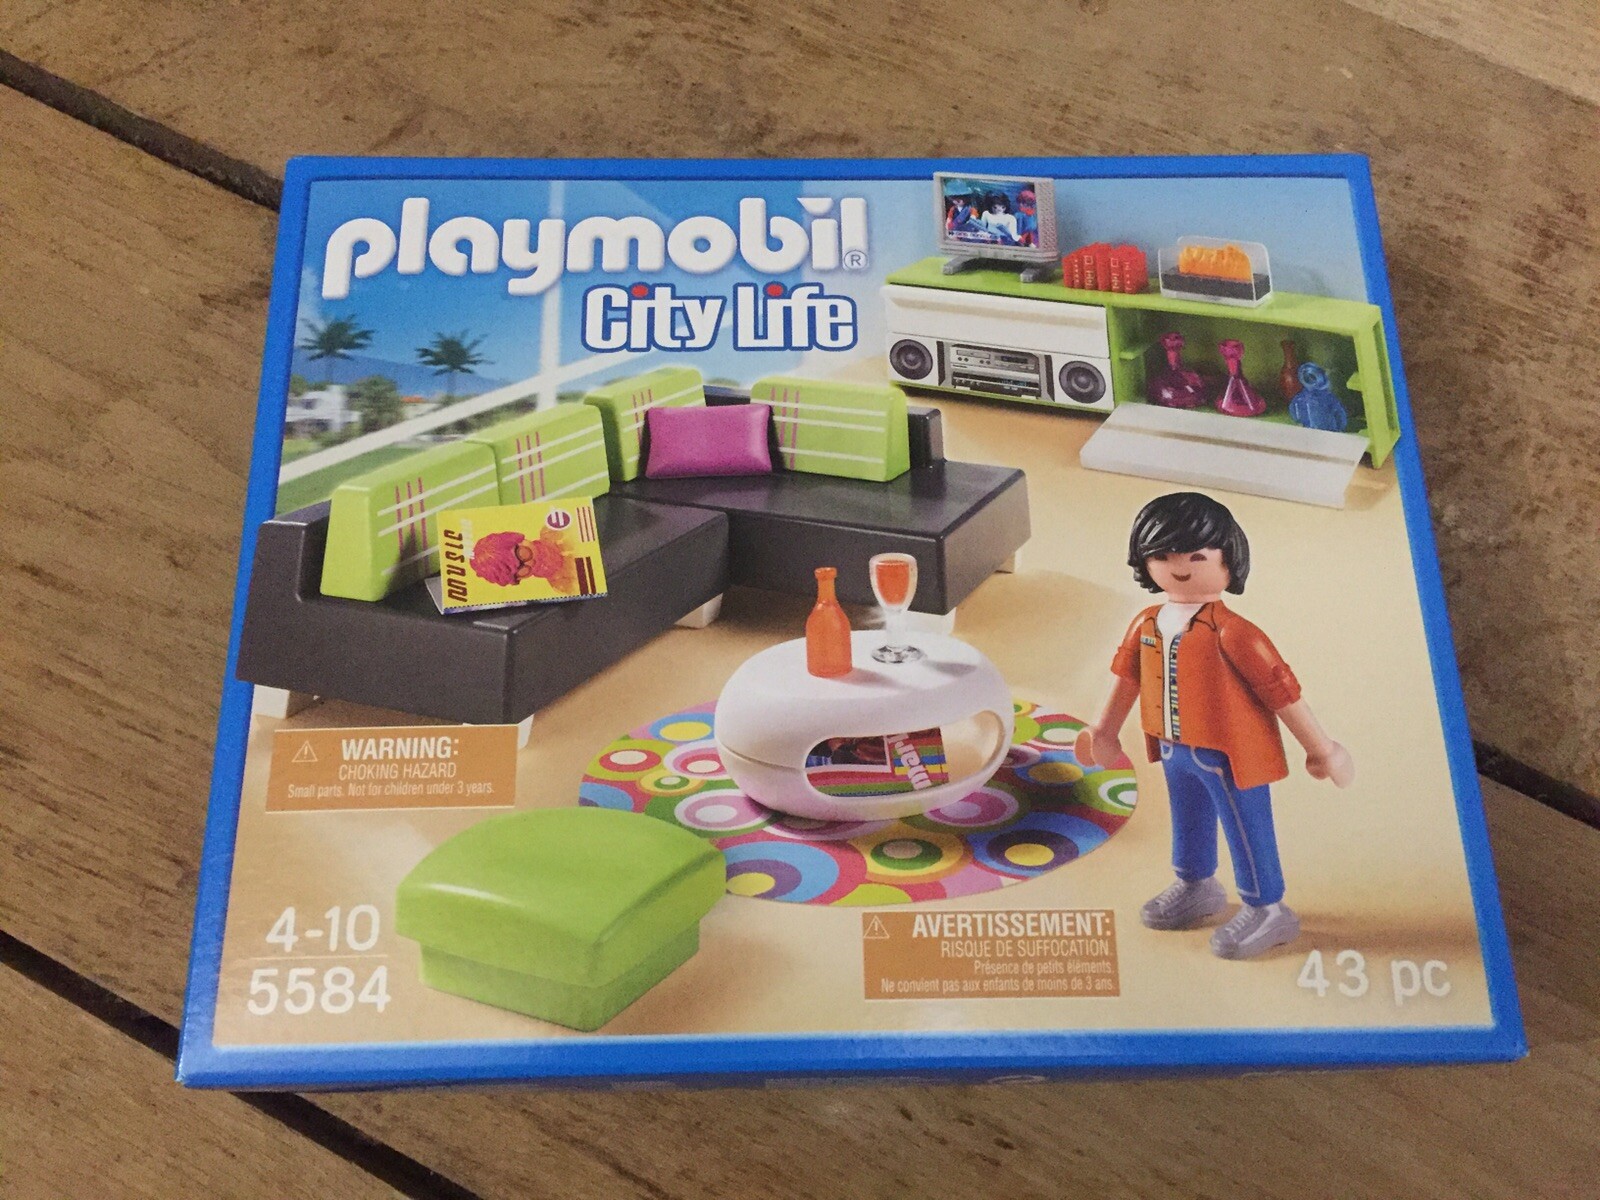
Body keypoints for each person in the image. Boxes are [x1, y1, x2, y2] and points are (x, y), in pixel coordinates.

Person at [1075, 492, 1354, 959]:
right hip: (1172, 748)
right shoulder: (1146, 623)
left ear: (1228, 559)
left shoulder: (1234, 632)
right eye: (1164, 555)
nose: (1179, 566)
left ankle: (1267, 907)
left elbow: (1281, 691)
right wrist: (1104, 730)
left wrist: (1320, 748)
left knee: (1247, 827)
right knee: (1187, 818)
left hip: (1230, 754)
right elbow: (1127, 677)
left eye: (1196, 556)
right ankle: (1196, 884)